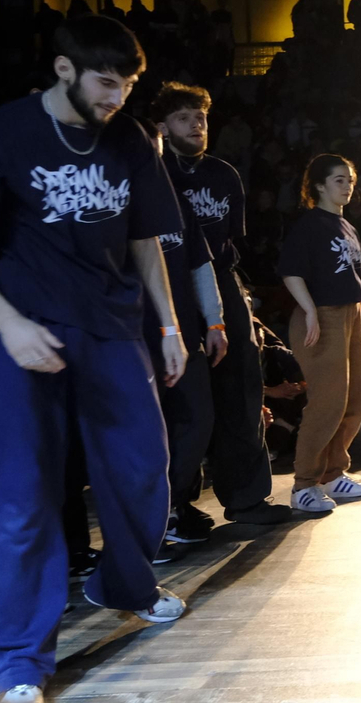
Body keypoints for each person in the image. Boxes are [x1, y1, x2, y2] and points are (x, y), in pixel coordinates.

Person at [0, 15, 189, 702]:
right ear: (63, 69)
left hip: (110, 324)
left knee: (145, 469)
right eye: (106, 83)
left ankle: (123, 584)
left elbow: (144, 239)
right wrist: (8, 324)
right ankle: (20, 661)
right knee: (22, 495)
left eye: (127, 85)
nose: (117, 97)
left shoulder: (131, 138)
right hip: (19, 328)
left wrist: (168, 323)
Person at [155, 82, 289, 531]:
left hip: (221, 280)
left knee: (243, 388)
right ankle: (179, 503)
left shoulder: (224, 174)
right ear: (162, 127)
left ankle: (247, 498)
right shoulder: (154, 175)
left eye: (201, 117)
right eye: (183, 118)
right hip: (170, 284)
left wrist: (231, 301)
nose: (196, 125)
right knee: (184, 399)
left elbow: (230, 242)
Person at [277, 154, 361, 514]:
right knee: (328, 402)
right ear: (319, 185)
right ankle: (304, 485)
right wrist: (309, 310)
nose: (348, 186)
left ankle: (332, 473)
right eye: (339, 180)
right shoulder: (310, 225)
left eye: (350, 180)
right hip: (321, 316)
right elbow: (291, 272)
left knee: (355, 400)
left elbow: (357, 283)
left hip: (350, 317)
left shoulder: (347, 227)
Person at [137, 119, 228, 550]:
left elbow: (200, 265)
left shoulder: (174, 199)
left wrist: (215, 322)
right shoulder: (113, 203)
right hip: (135, 340)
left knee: (197, 420)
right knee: (146, 433)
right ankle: (148, 524)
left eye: (157, 150)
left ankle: (171, 508)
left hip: (184, 336)